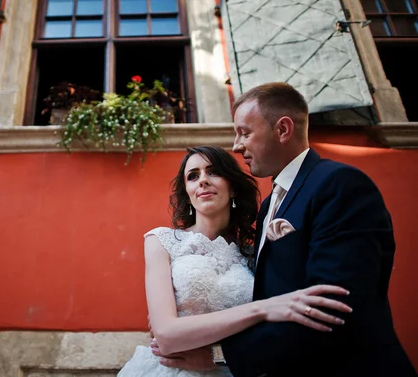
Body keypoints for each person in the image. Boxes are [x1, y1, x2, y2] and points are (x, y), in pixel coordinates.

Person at [154, 83, 417, 376]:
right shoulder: (270, 206)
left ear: (282, 130)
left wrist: (224, 357)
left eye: (245, 132)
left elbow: (333, 306)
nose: (237, 145)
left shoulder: (338, 184)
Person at [118, 145, 352, 377]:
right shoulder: (161, 241)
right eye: (193, 176)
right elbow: (166, 335)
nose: (203, 181)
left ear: (232, 188)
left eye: (214, 172)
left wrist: (216, 358)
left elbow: (274, 328)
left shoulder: (254, 253)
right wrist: (261, 310)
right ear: (187, 194)